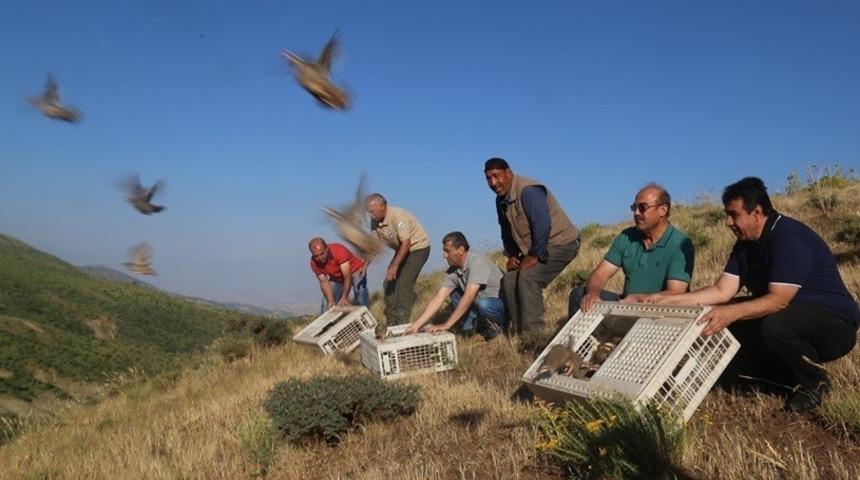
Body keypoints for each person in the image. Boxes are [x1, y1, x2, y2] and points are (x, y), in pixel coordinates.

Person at [644, 177, 859, 413]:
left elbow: (778, 301)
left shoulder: (789, 238)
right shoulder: (744, 245)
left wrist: (730, 313)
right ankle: (775, 379)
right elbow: (720, 291)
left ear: (756, 212)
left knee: (767, 322)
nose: (727, 222)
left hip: (836, 325)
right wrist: (661, 299)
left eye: (733, 215)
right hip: (791, 317)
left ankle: (815, 383)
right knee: (727, 314)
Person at [484, 157, 581, 337]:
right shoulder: (500, 200)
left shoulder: (529, 190)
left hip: (562, 243)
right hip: (536, 247)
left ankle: (534, 337)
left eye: (496, 176)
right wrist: (512, 255)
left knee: (528, 277)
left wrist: (535, 255)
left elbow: (542, 225)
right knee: (510, 279)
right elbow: (506, 230)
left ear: (508, 172)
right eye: (488, 179)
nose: (493, 182)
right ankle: (519, 333)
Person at [568, 183, 695, 317]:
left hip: (659, 313)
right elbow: (600, 273)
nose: (636, 213)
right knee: (579, 295)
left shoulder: (680, 244)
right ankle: (590, 337)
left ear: (662, 210)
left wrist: (640, 299)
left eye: (642, 207)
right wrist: (592, 294)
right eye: (634, 207)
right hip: (627, 306)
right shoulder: (627, 237)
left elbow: (676, 293)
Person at [404, 231, 506, 340]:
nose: (444, 255)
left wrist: (447, 325)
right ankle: (472, 329)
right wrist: (415, 326)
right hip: (480, 306)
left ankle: (501, 327)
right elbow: (438, 299)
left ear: (461, 250)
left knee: (485, 304)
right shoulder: (453, 271)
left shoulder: (477, 261)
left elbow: (469, 295)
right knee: (454, 294)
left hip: (498, 305)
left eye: (447, 251)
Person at [365, 193, 431, 325]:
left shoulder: (398, 215)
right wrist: (365, 264)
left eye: (372, 211)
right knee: (388, 283)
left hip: (417, 248)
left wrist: (394, 265)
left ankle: (402, 322)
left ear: (383, 206)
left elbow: (406, 243)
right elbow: (374, 244)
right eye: (368, 212)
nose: (370, 215)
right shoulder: (375, 221)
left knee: (403, 284)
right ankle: (391, 321)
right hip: (401, 249)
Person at [308, 237, 369, 313]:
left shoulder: (338, 251)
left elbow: (347, 276)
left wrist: (345, 297)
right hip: (337, 278)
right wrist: (331, 300)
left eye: (322, 253)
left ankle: (365, 316)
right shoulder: (313, 263)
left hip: (355, 271)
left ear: (326, 249)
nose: (320, 258)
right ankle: (329, 324)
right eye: (316, 256)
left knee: (360, 292)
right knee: (326, 303)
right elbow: (323, 281)